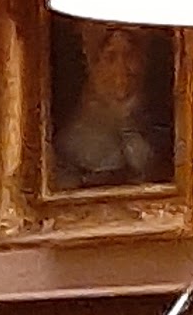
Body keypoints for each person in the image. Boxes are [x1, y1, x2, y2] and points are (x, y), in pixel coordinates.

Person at [50, 15, 172, 189]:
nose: (121, 69)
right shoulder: (72, 142)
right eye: (110, 57)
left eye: (129, 55)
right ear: (93, 64)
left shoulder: (160, 128)